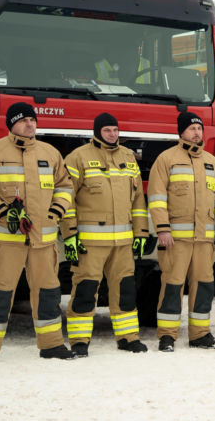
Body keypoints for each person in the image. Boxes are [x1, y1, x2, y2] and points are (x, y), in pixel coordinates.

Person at [0, 102, 74, 365]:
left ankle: (51, 345)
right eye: (24, 120)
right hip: (6, 240)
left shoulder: (50, 153)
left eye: (32, 120)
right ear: (12, 123)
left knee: (48, 292)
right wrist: (4, 212)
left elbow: (65, 186)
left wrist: (55, 212)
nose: (30, 124)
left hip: (44, 240)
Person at [62, 112, 151, 355]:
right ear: (96, 131)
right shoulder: (78, 158)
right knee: (84, 290)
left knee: (125, 290)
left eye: (115, 130)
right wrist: (69, 234)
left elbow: (138, 201)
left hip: (122, 242)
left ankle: (128, 338)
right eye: (107, 130)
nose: (112, 134)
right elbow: (65, 199)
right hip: (89, 242)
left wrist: (141, 232)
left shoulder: (128, 157)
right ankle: (80, 341)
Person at [148, 112, 215, 351]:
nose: (197, 132)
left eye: (199, 128)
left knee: (204, 285)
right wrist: (162, 229)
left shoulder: (212, 162)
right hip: (176, 239)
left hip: (204, 240)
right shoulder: (166, 159)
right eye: (192, 128)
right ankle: (167, 335)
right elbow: (156, 199)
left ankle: (200, 334)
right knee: (173, 285)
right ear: (181, 132)